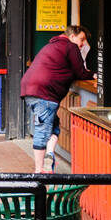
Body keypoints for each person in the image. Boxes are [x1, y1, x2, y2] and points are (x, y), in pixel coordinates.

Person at [20, 25, 91, 173]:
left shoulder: (53, 45)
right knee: (43, 130)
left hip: (30, 90)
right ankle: (39, 172)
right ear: (72, 36)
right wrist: (95, 74)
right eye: (81, 39)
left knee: (54, 126)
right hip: (45, 94)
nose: (83, 43)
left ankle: (49, 155)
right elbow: (81, 73)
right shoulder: (70, 46)